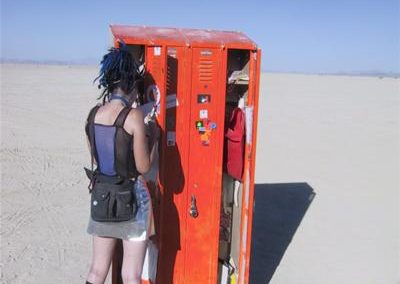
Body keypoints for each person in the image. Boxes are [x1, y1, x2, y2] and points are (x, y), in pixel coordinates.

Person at [84, 43, 159, 284]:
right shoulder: (134, 117)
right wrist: (154, 137)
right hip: (132, 200)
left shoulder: (93, 114)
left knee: (96, 271)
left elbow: (97, 158)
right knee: (130, 274)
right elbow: (144, 167)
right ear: (130, 84)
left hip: (102, 198)